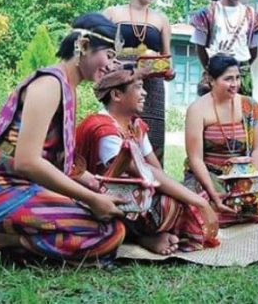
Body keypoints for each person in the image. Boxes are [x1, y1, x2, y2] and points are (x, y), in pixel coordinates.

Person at [0, 13, 126, 279]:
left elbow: (51, 157)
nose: (111, 65)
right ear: (83, 46)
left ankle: (5, 240)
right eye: (108, 55)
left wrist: (90, 182)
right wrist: (92, 199)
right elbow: (26, 161)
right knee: (108, 233)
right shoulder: (49, 85)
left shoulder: (68, 88)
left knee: (111, 225)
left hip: (19, 187)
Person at [75, 64, 219, 254]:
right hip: (94, 201)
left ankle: (149, 233)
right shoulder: (102, 129)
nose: (144, 93)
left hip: (132, 196)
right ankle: (141, 236)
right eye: (138, 87)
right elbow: (147, 173)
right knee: (173, 203)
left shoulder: (135, 125)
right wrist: (198, 202)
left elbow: (156, 169)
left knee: (173, 201)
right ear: (116, 95)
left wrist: (189, 198)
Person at [103, 0, 173, 165]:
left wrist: (168, 70)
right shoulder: (112, 13)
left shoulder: (161, 19)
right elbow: (98, 48)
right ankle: (115, 178)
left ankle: (156, 187)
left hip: (152, 86)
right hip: (119, 82)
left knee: (152, 135)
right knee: (117, 128)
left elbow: (167, 58)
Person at [183, 54, 258, 226]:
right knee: (201, 214)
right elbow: (195, 158)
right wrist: (213, 192)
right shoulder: (197, 110)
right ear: (211, 80)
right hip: (209, 175)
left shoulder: (250, 106)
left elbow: (257, 149)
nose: (235, 84)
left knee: (246, 207)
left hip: (241, 177)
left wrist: (251, 182)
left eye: (237, 78)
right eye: (228, 79)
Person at [190, 0, 258, 96]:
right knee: (213, 114)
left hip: (242, 75)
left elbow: (253, 52)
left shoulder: (253, 16)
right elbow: (200, 48)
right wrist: (212, 69)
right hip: (216, 72)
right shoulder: (207, 13)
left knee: (243, 114)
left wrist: (240, 68)